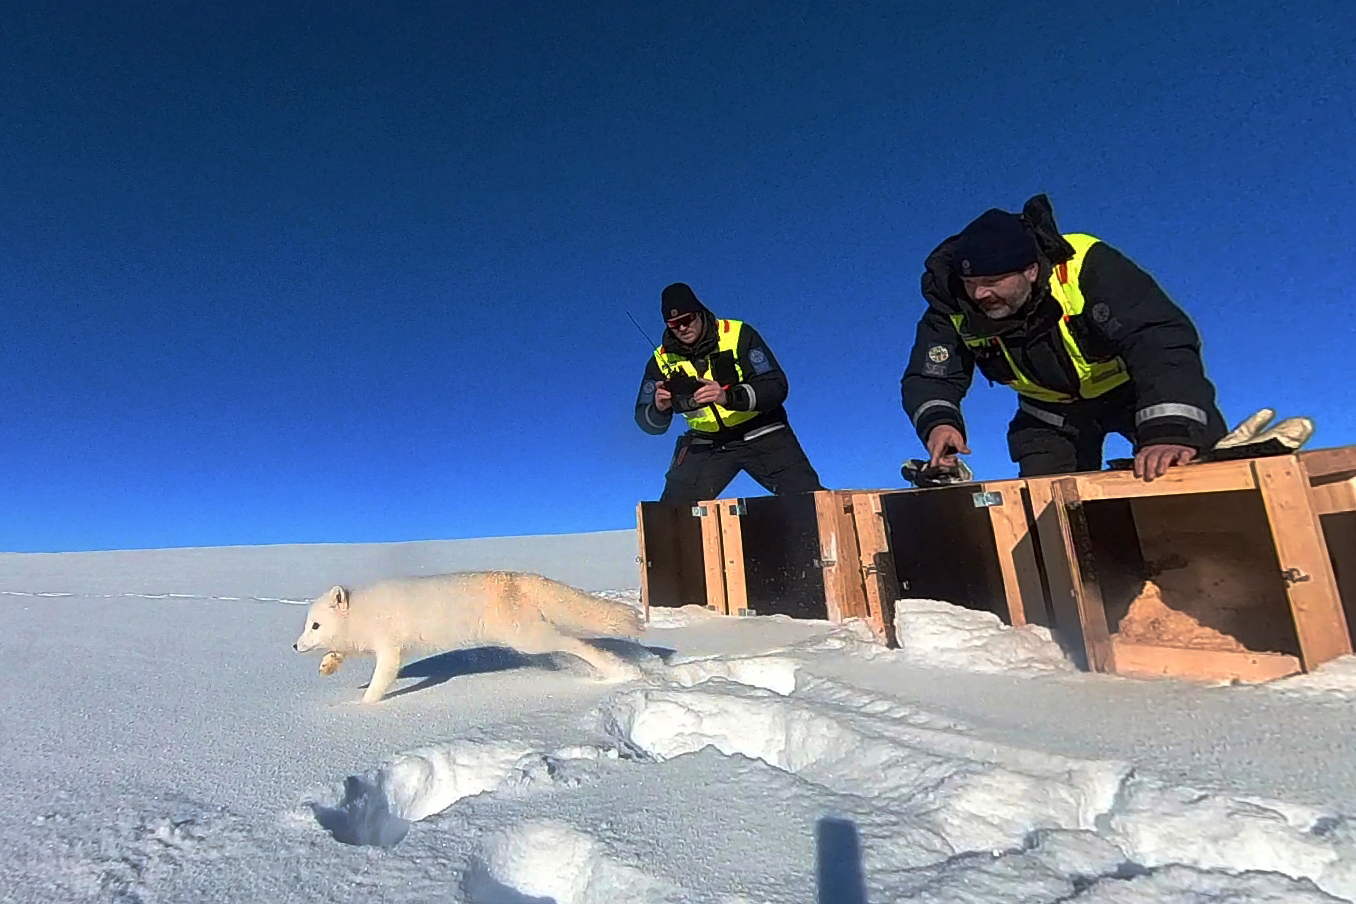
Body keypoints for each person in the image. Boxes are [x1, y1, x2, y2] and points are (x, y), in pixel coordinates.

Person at [901, 194, 1229, 482]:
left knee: (1192, 466)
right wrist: (939, 425)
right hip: (1049, 415)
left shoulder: (1085, 265)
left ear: (1030, 270)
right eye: (970, 282)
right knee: (1051, 509)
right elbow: (930, 379)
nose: (979, 293)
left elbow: (1157, 338)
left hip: (1135, 392)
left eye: (993, 280)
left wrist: (1169, 429)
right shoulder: (951, 306)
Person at [634, 282, 824, 503]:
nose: (682, 328)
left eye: (686, 320)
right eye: (674, 324)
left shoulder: (738, 334)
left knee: (809, 502)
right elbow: (645, 420)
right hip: (706, 444)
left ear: (700, 313)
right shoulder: (660, 359)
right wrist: (660, 408)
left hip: (761, 432)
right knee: (671, 516)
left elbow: (775, 385)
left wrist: (729, 397)